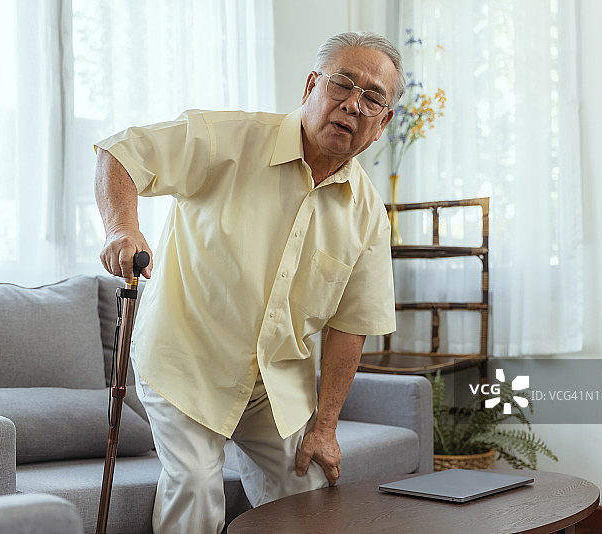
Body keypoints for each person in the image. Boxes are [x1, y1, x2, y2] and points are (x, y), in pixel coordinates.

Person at [94, 31, 403, 534]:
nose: (353, 104)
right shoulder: (227, 139)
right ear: (311, 86)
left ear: (383, 122)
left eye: (372, 98)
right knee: (195, 488)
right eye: (343, 84)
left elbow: (352, 325)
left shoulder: (368, 214)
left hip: (275, 383)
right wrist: (122, 227)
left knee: (304, 502)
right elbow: (122, 154)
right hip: (186, 358)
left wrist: (324, 427)